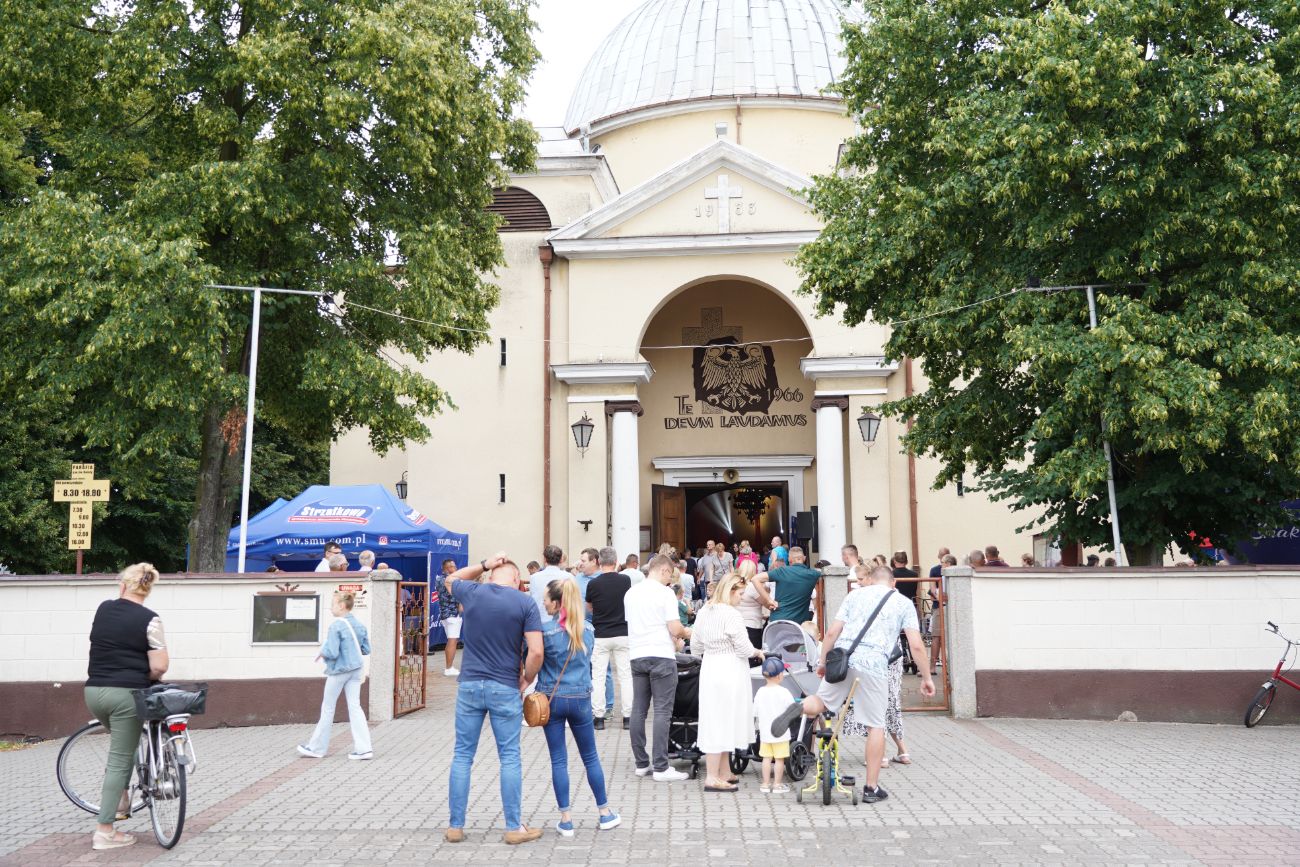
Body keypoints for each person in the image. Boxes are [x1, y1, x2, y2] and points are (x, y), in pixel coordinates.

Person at [768, 565, 934, 805]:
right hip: (874, 666)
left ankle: (800, 707)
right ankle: (871, 787)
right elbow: (916, 645)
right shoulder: (902, 602)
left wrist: (823, 662)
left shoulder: (854, 595)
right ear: (893, 583)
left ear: (871, 580)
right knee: (875, 725)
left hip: (843, 657)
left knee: (822, 702)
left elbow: (833, 631)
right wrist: (927, 677)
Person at [443, 553, 544, 845]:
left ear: (491, 575)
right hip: (504, 686)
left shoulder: (473, 591)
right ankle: (513, 827)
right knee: (509, 757)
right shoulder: (525, 602)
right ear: (515, 578)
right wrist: (526, 677)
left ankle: (455, 826)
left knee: (463, 755)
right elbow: (536, 651)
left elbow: (451, 579)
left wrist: (484, 563)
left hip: (470, 684)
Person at [84, 563, 168, 850]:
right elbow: (160, 666)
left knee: (125, 748)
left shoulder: (103, 609)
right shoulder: (150, 619)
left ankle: (121, 799)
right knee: (119, 761)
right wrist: (146, 674)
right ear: (148, 589)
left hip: (94, 692)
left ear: (123, 585)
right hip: (126, 696)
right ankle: (105, 832)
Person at [537, 579, 621, 837]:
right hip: (581, 699)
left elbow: (536, 660)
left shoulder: (544, 631)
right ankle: (605, 813)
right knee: (591, 757)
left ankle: (566, 819)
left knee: (558, 759)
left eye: (546, 599)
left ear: (556, 601)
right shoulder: (588, 630)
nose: (543, 602)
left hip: (552, 699)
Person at [691, 572, 763, 791]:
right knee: (724, 719)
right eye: (740, 593)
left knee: (718, 718)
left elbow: (695, 645)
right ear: (731, 591)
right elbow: (743, 647)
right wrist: (758, 652)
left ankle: (724, 771)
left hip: (710, 666)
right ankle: (712, 777)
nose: (742, 598)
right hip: (730, 668)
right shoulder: (732, 614)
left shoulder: (705, 610)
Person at [624, 553, 691, 781]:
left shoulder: (631, 593)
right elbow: (674, 627)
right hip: (661, 654)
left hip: (637, 654)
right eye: (670, 575)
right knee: (662, 711)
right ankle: (661, 766)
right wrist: (686, 633)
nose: (670, 580)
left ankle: (641, 763)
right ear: (663, 570)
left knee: (638, 709)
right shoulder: (665, 593)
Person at [843, 566, 910, 767]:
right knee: (890, 699)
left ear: (871, 579)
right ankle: (902, 750)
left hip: (873, 653)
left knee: (873, 702)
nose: (859, 582)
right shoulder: (899, 600)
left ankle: (880, 755)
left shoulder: (862, 598)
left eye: (862, 578)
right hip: (893, 652)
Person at [298, 591, 373, 760]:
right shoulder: (359, 625)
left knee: (328, 708)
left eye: (332, 604)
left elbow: (332, 652)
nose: (330, 608)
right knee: (355, 707)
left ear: (341, 605)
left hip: (339, 671)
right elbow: (366, 649)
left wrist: (323, 652)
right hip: (356, 670)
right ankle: (364, 749)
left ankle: (317, 748)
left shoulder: (336, 626)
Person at [586, 547, 633, 731]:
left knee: (597, 677)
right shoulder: (625, 580)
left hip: (601, 634)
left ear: (599, 562)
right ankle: (627, 717)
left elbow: (589, 607)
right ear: (616, 561)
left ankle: (599, 718)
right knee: (625, 676)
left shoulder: (593, 584)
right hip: (623, 632)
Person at [753, 657, 792, 795]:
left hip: (765, 733)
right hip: (780, 733)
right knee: (779, 759)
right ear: (780, 675)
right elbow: (792, 709)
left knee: (766, 758)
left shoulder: (760, 692)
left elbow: (755, 711)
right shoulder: (784, 692)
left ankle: (765, 784)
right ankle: (777, 784)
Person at [767, 546, 821, 625]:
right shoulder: (813, 574)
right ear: (804, 558)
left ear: (789, 559)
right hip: (798, 623)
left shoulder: (781, 571)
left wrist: (768, 601)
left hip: (778, 620)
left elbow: (756, 579)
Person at [735, 559, 777, 653]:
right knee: (753, 657)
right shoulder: (752, 586)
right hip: (751, 626)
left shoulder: (734, 585)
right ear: (753, 571)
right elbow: (767, 604)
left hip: (737, 624)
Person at [435, 558, 462, 676]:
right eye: (454, 566)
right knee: (453, 640)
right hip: (453, 613)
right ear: (448, 568)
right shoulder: (451, 580)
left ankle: (449, 666)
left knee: (451, 640)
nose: (456, 568)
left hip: (445, 613)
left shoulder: (439, 579)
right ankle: (449, 668)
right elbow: (456, 596)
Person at [530, 545, 569, 623]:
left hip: (540, 621)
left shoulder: (534, 577)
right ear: (561, 559)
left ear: (544, 559)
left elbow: (533, 599)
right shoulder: (569, 577)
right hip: (562, 623)